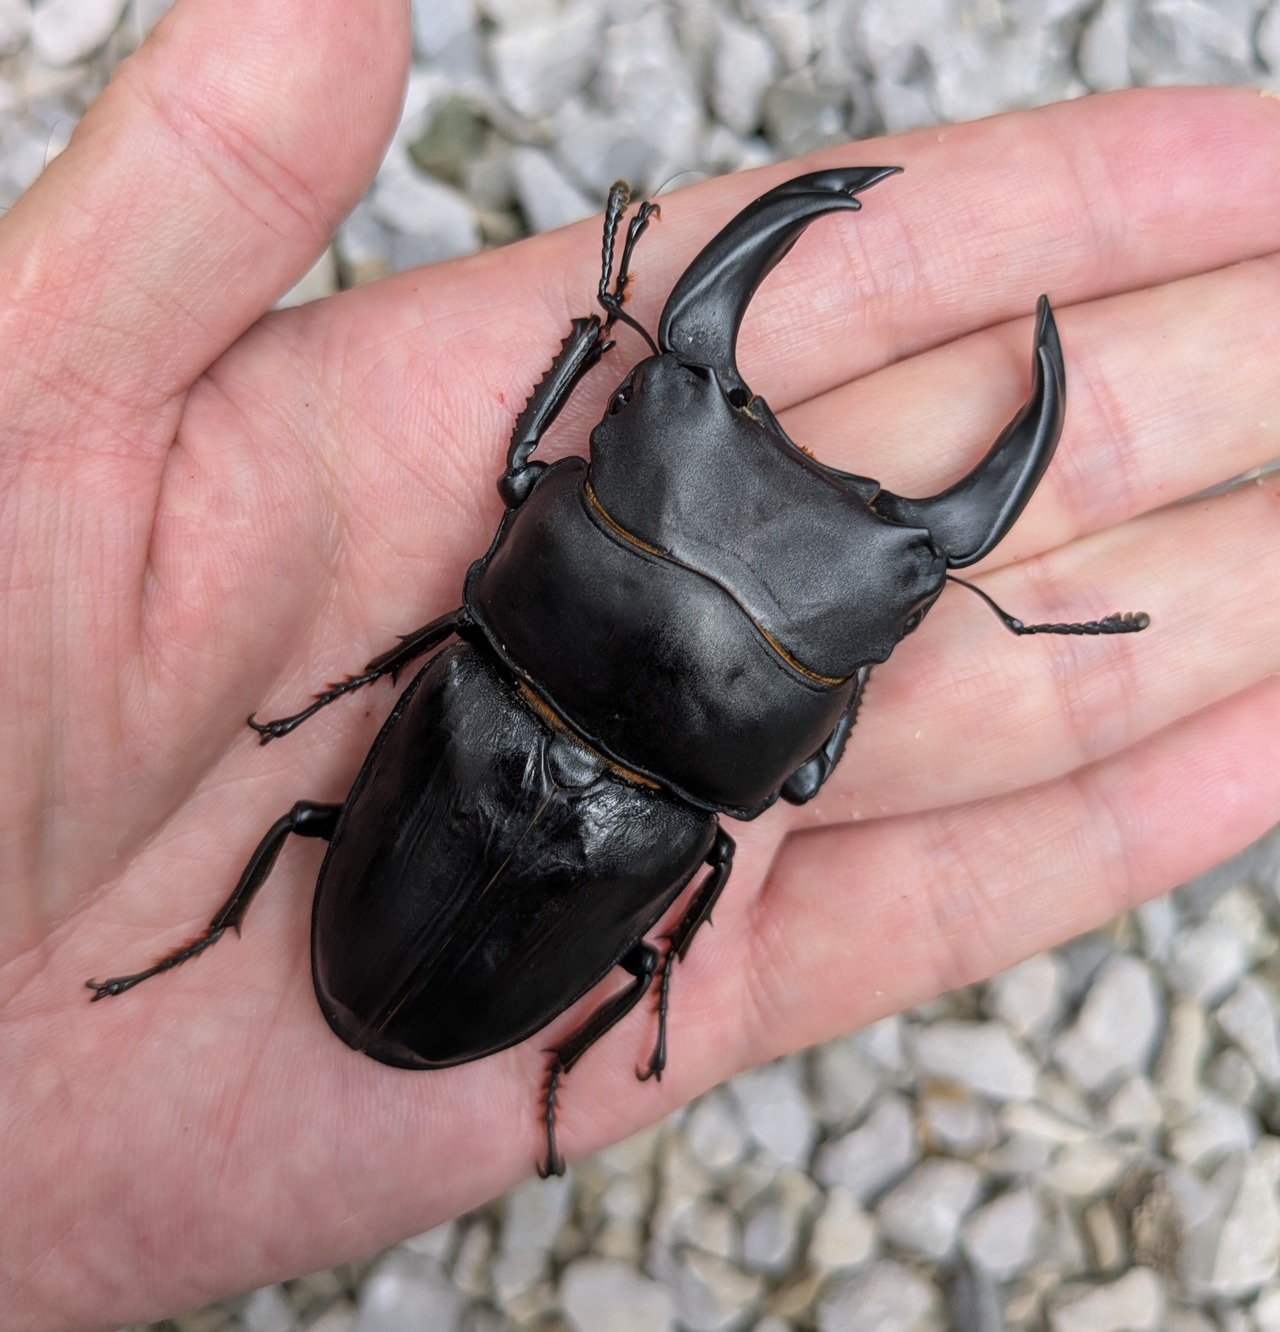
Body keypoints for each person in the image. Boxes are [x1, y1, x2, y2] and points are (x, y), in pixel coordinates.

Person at [3, 1, 1279, 1326]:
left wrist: (613, 333)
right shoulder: (627, 769)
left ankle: (341, 984)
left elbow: (522, 481)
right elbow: (796, 772)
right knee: (654, 898)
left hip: (473, 834)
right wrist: (857, 644)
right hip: (556, 865)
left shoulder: (472, 657)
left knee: (326, 792)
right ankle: (539, 1056)